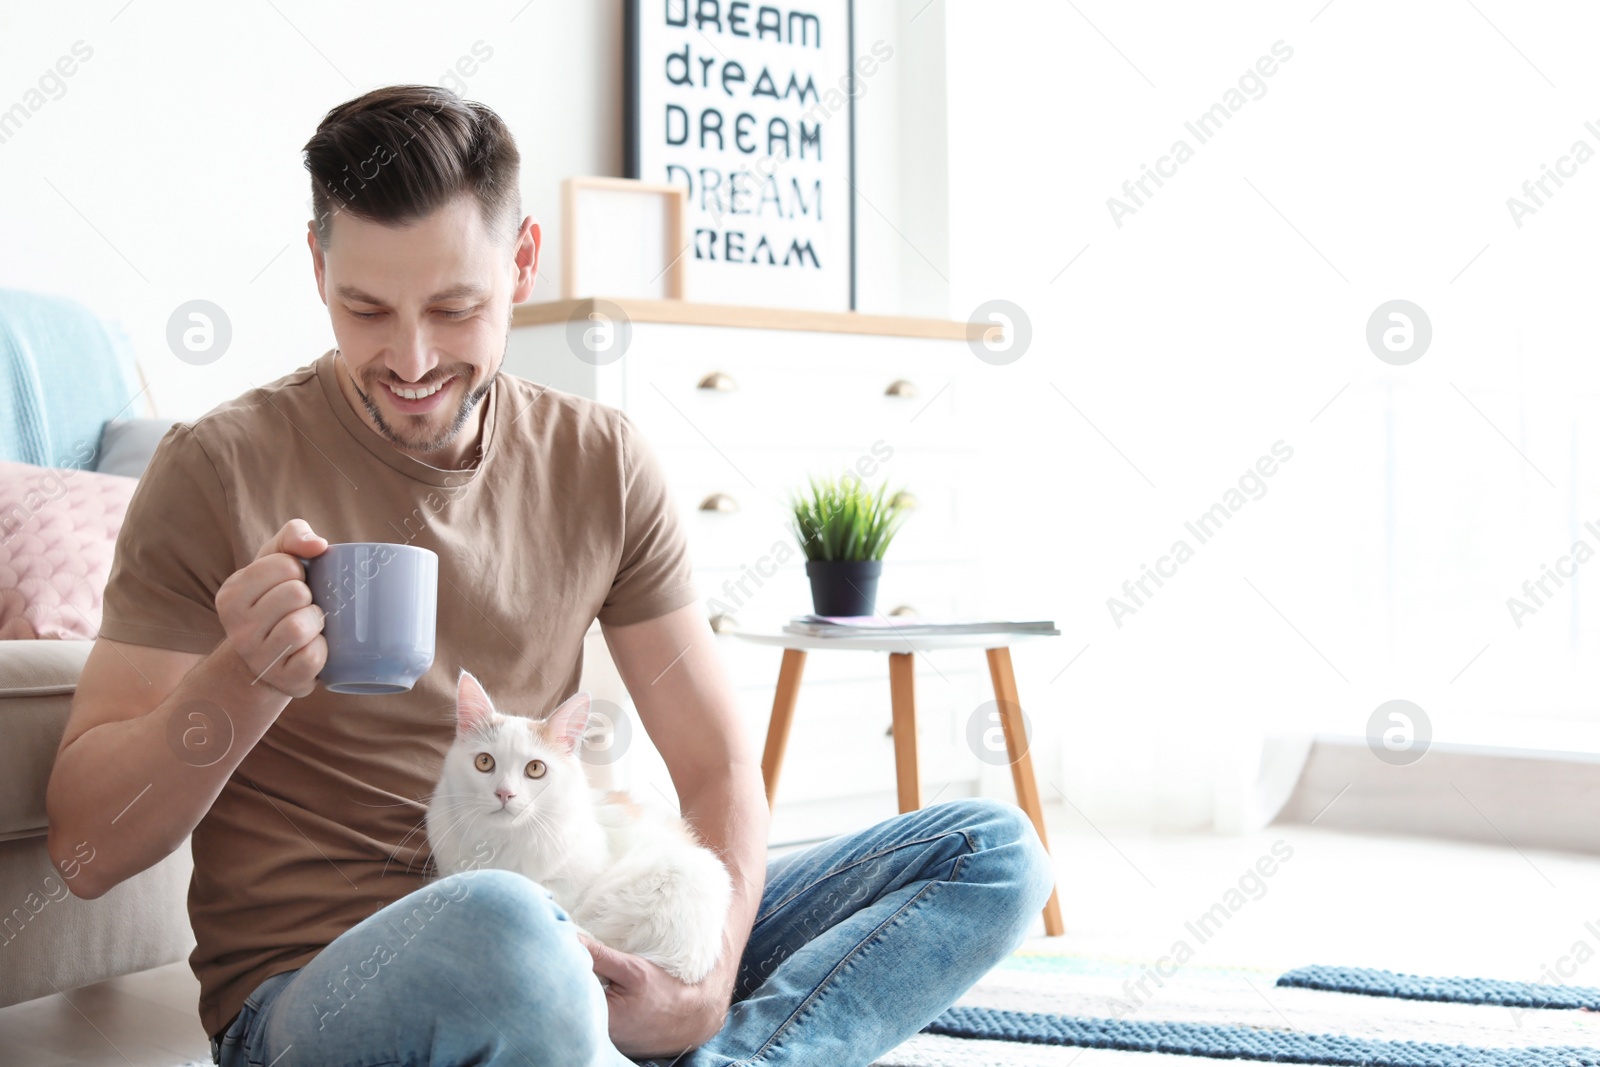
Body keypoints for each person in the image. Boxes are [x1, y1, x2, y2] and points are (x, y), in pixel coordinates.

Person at [44, 84, 1056, 1067]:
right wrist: (246, 675)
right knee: (508, 924)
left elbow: (716, 768)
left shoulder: (600, 460)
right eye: (364, 308)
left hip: (579, 918)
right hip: (320, 991)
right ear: (316, 267)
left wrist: (702, 982)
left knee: (990, 851)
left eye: (454, 307)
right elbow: (86, 851)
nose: (408, 357)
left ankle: (696, 1045)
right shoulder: (214, 466)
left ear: (522, 262)